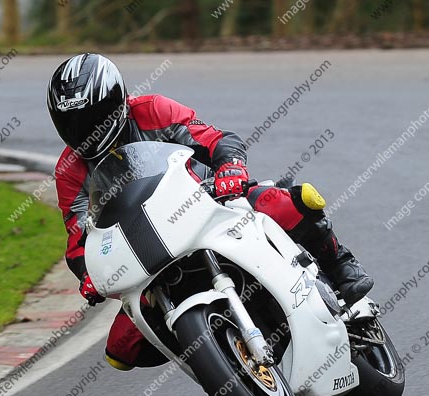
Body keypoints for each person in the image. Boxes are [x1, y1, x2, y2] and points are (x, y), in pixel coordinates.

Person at [47, 53, 373, 371]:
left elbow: (215, 139)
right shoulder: (69, 170)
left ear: (117, 103)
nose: (81, 130)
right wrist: (88, 274)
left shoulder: (152, 109)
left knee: (287, 201)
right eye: (70, 122)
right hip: (146, 250)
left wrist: (230, 167)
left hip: (208, 204)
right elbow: (78, 238)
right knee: (120, 350)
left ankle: (342, 269)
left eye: (90, 118)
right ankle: (218, 359)